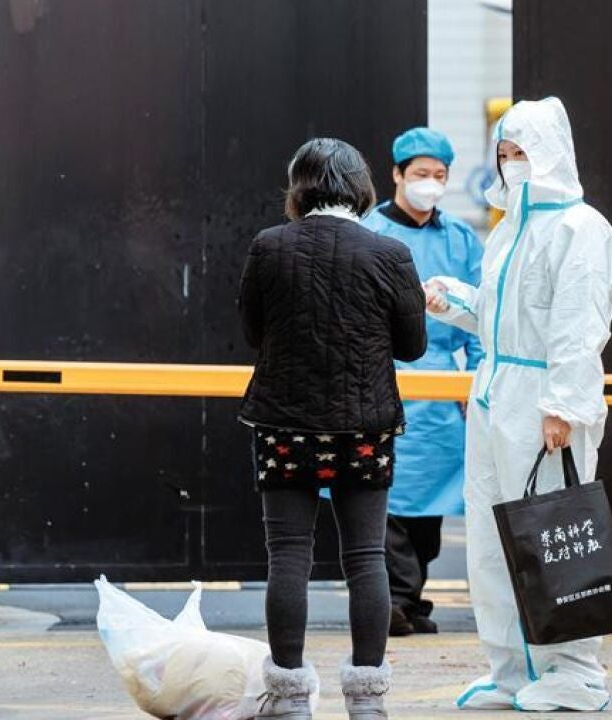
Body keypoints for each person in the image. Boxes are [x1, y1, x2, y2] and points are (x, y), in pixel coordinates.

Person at [422, 97, 612, 712]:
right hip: (494, 394)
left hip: (541, 403)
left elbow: (578, 325)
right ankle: (511, 668)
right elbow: (499, 313)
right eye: (504, 154)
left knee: (554, 537)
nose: (512, 165)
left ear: (552, 154)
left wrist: (563, 405)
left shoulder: (581, 229)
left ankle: (575, 672)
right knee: (492, 540)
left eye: (522, 153)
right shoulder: (511, 228)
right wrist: (453, 299)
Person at [237, 138, 427, 719]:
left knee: (287, 556)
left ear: (299, 187)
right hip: (364, 425)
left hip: (284, 423)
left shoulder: (269, 246)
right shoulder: (389, 253)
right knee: (366, 557)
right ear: (362, 187)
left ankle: (290, 697)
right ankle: (367, 701)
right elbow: (413, 346)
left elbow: (253, 334)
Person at [325, 127, 484, 637]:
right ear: (396, 174)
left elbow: (483, 314)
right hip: (380, 377)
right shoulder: (369, 232)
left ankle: (409, 599)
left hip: (440, 391)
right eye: (420, 174)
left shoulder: (461, 239)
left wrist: (476, 377)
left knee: (429, 505)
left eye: (439, 175)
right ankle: (392, 599)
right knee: (384, 496)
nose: (429, 183)